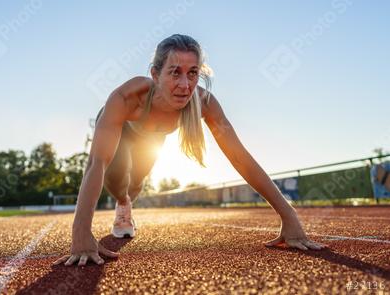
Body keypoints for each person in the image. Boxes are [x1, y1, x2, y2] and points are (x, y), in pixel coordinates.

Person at [54, 34, 327, 267]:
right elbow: (96, 162)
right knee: (116, 181)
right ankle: (121, 200)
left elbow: (240, 158)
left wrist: (288, 216)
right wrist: (81, 232)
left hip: (153, 140)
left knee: (135, 184)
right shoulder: (127, 98)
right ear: (155, 74)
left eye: (193, 73)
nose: (185, 85)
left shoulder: (204, 102)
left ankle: (127, 203)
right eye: (175, 72)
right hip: (123, 132)